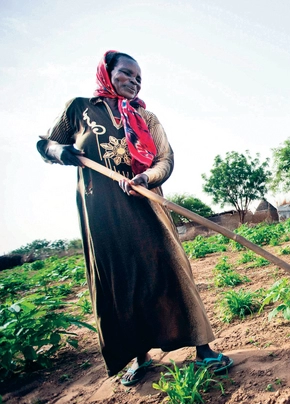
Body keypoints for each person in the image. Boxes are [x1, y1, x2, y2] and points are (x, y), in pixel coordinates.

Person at [36, 50, 233, 386]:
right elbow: (45, 144)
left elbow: (165, 160)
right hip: (102, 214)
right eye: (127, 73)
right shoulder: (79, 109)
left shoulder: (147, 118)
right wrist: (59, 152)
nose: (135, 81)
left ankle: (203, 349)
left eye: (139, 77)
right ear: (107, 72)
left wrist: (147, 178)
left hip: (146, 207)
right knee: (121, 282)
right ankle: (140, 356)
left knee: (171, 270)